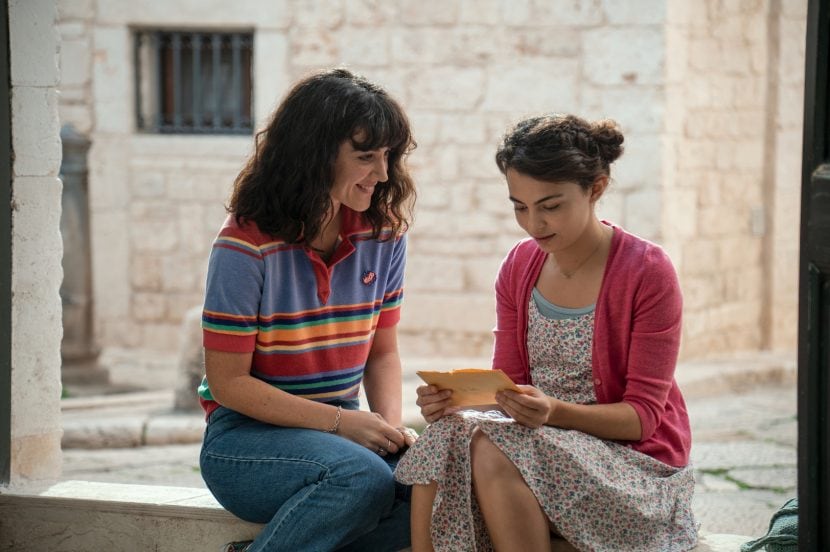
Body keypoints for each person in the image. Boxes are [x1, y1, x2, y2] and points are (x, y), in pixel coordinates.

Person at [395, 114, 699, 552]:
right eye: (520, 206)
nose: (533, 224)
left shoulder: (648, 272)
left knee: (491, 448)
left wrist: (553, 412)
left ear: (595, 189)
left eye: (551, 205)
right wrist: (455, 399)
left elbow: (642, 417)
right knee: (447, 433)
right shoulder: (519, 266)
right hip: (539, 446)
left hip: (633, 467)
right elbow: (510, 387)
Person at [197, 68, 419, 552]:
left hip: (343, 436)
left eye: (387, 157)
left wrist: (389, 429)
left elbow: (382, 353)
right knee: (362, 479)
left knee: (437, 491)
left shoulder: (383, 236)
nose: (382, 174)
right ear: (315, 154)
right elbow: (228, 383)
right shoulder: (244, 246)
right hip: (244, 443)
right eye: (366, 157)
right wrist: (344, 425)